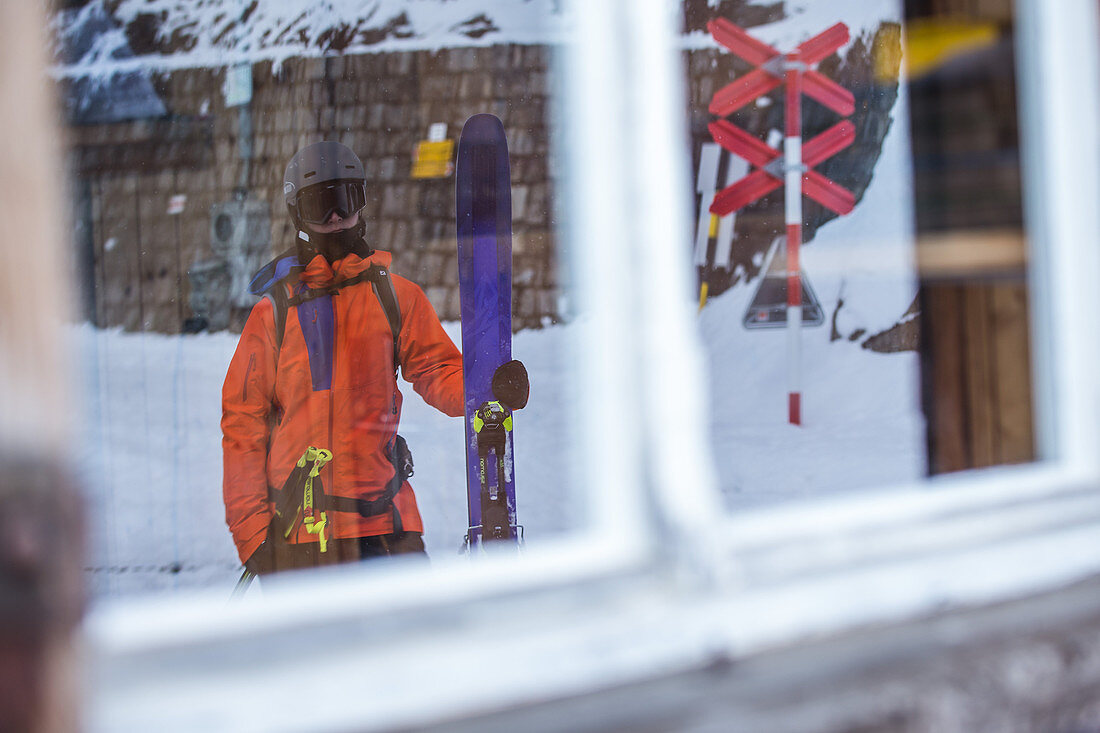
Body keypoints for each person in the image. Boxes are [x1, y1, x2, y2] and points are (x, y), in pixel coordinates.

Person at [222, 141, 468, 575]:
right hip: (297, 531)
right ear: (299, 214)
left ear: (362, 204)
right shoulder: (274, 314)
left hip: (385, 527)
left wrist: (485, 389)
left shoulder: (394, 297)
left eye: (345, 200)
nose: (336, 216)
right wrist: (253, 533)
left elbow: (437, 368)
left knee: (417, 642)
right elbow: (244, 422)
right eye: (321, 205)